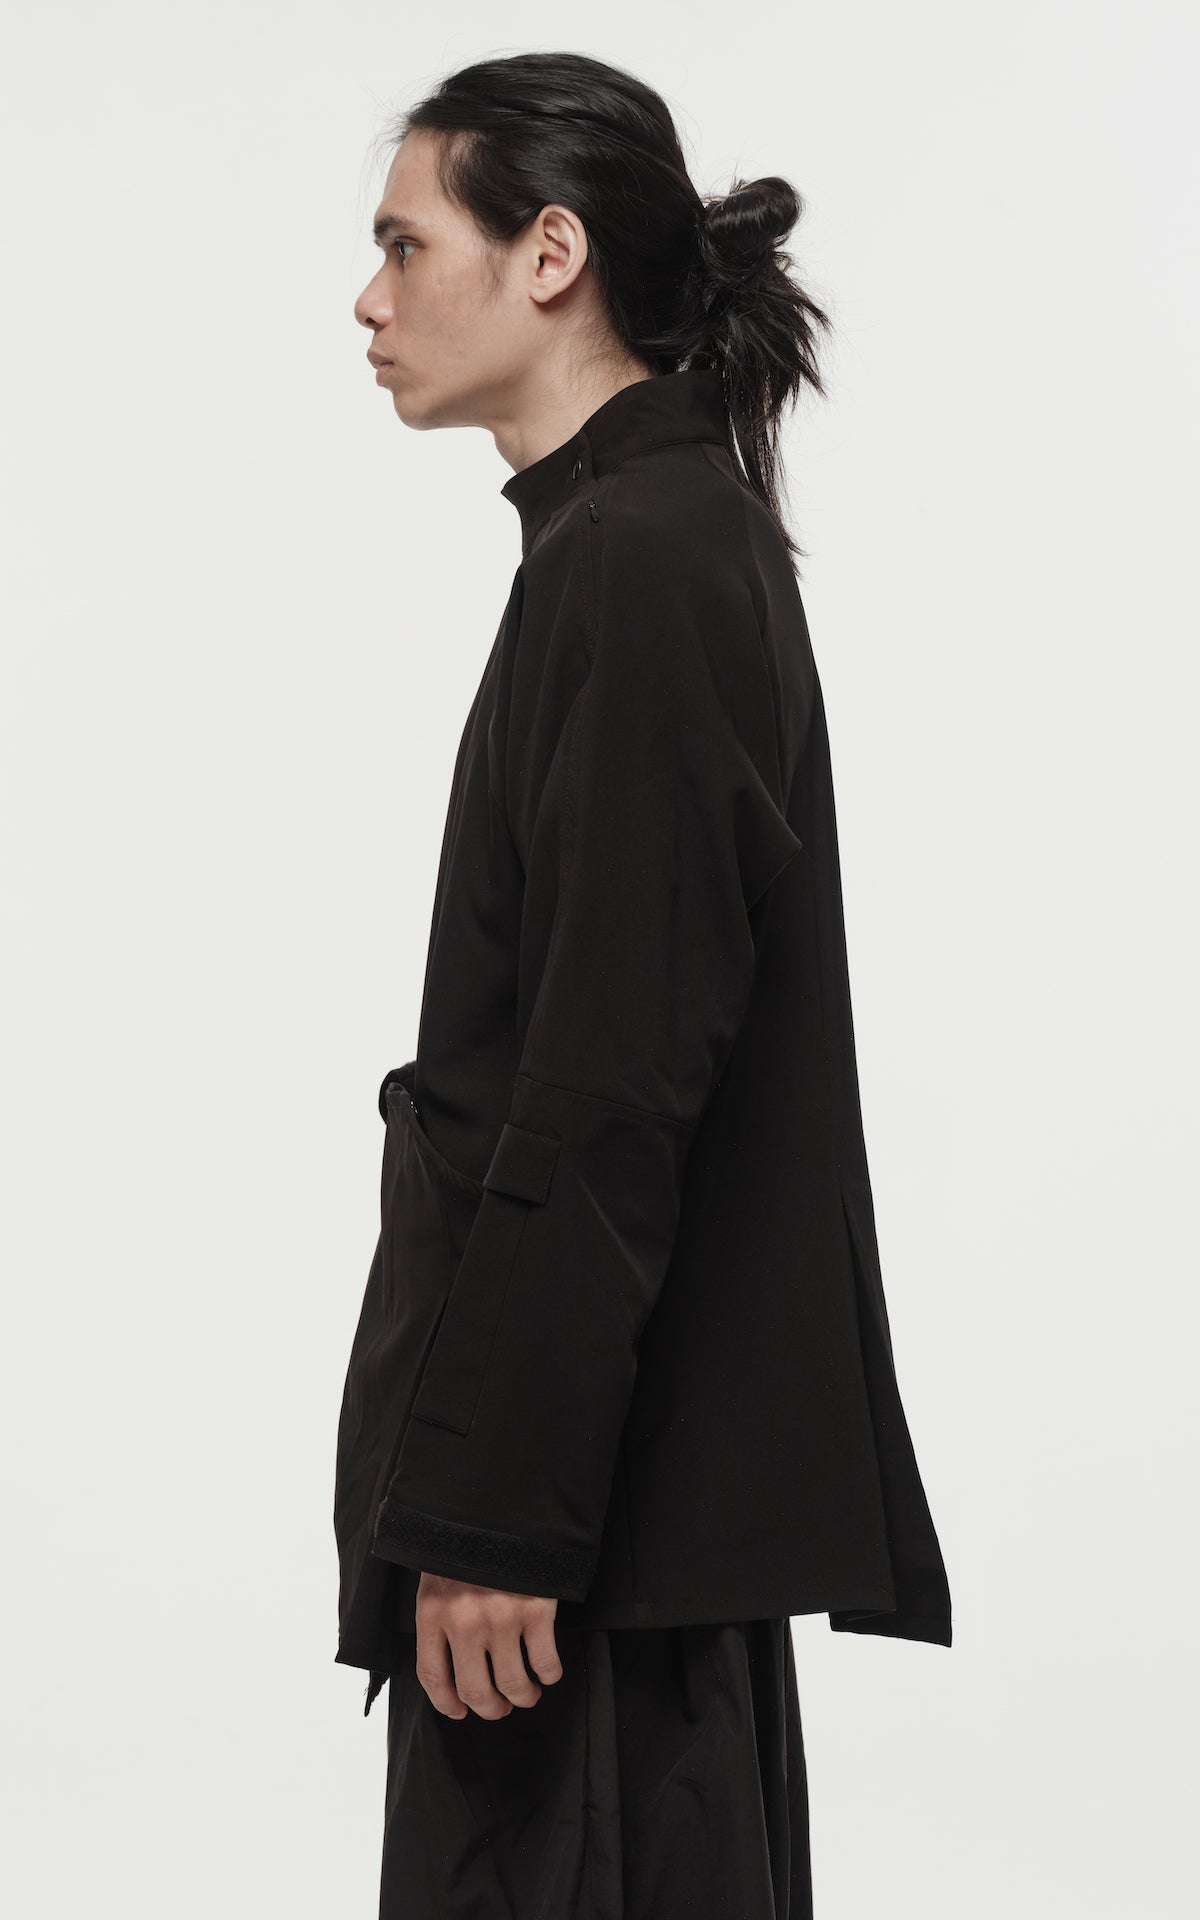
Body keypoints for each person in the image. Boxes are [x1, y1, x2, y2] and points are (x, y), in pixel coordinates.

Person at [335, 49, 952, 1920]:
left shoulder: (648, 559)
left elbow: (612, 1084)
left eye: (403, 243)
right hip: (601, 1535)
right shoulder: (625, 543)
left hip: (582, 1566)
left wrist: (495, 1513)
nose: (367, 299)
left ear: (550, 255)